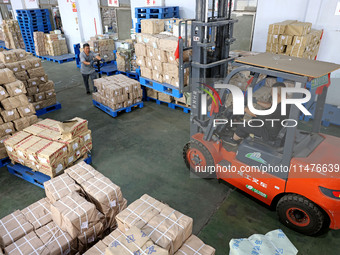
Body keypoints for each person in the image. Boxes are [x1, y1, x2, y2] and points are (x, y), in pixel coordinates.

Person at [223, 82, 289, 146]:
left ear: (277, 95)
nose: (271, 95)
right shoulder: (286, 104)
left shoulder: (276, 111)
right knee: (254, 120)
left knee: (242, 125)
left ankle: (234, 140)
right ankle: (243, 135)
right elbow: (270, 105)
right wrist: (255, 101)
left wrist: (244, 108)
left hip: (269, 134)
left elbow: (256, 113)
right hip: (275, 127)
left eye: (272, 93)